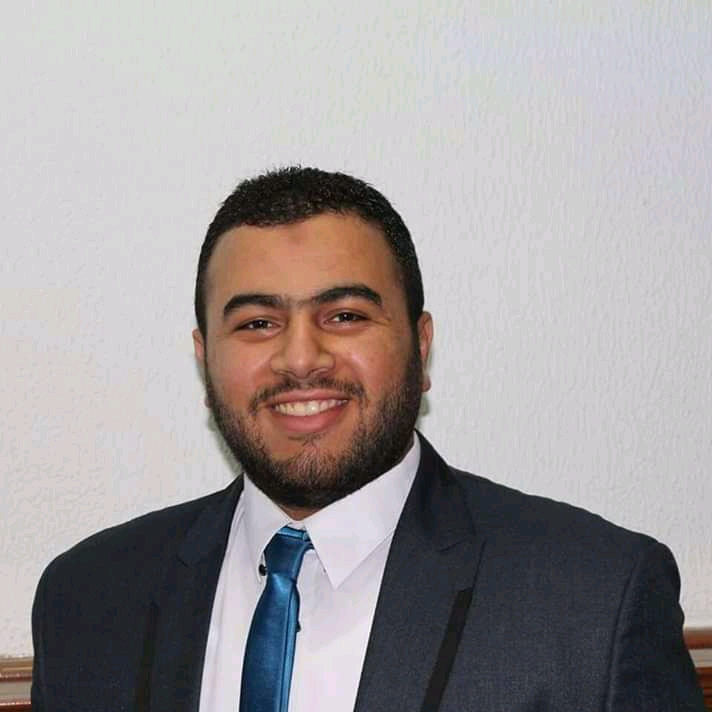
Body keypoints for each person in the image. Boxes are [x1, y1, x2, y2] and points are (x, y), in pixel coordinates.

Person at [31, 167, 704, 711]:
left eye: (345, 315)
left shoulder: (594, 600)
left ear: (421, 345)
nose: (301, 358)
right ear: (205, 360)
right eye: (258, 323)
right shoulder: (87, 600)